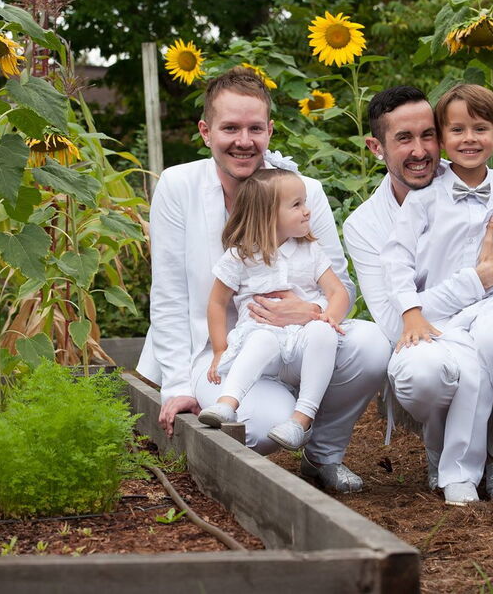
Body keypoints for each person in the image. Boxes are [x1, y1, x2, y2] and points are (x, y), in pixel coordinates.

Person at [136, 67, 391, 492]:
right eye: (230, 128)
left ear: (270, 130)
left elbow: (341, 286)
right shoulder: (178, 186)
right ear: (205, 131)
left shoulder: (302, 189)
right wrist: (178, 387)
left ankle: (323, 455)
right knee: (260, 425)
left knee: (372, 345)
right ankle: (282, 415)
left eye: (255, 128)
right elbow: (169, 294)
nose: (243, 140)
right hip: (219, 354)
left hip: (302, 340)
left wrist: (309, 311)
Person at [343, 85, 493, 505]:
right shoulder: (392, 214)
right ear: (376, 147)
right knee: (457, 377)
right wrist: (477, 278)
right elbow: (395, 302)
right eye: (403, 139)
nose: (420, 150)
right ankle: (453, 467)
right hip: (435, 331)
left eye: (427, 135)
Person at [197, 168, 349, 451]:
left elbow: (338, 292)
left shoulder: (310, 251)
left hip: (301, 341)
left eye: (305, 202)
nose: (307, 211)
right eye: (297, 205)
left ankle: (300, 420)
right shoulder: (241, 256)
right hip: (261, 338)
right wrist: (219, 350)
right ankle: (228, 402)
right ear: (268, 215)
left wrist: (328, 316)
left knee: (323, 332)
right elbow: (217, 302)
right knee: (262, 339)